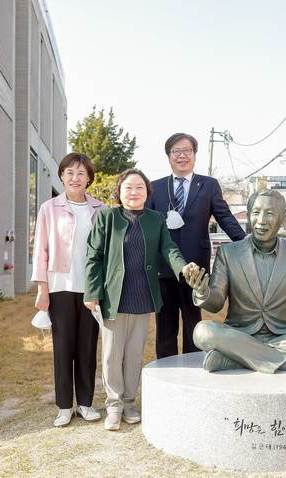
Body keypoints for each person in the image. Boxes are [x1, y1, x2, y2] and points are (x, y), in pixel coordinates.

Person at [184, 189, 286, 374]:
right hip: (240, 334)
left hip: (285, 335)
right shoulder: (228, 253)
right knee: (202, 332)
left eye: (269, 213)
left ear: (283, 220)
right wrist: (203, 292)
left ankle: (236, 359)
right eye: (256, 212)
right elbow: (216, 303)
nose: (261, 220)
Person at [85, 168, 196, 431]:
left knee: (134, 354)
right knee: (112, 354)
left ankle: (130, 402)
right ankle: (113, 405)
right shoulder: (106, 217)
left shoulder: (156, 219)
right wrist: (92, 292)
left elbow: (168, 248)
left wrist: (183, 268)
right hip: (114, 297)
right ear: (119, 192)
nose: (134, 193)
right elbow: (93, 256)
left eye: (139, 188)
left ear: (147, 192)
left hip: (143, 295)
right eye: (128, 188)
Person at [146, 133, 246, 359]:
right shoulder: (156, 187)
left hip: (196, 269)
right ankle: (166, 372)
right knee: (165, 327)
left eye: (187, 151)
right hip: (164, 267)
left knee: (194, 323)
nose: (182, 156)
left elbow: (225, 217)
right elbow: (147, 226)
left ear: (194, 155)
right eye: (176, 152)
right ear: (169, 156)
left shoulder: (208, 185)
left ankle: (192, 369)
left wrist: (247, 243)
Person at [31, 152, 105, 427]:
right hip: (60, 287)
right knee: (63, 348)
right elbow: (41, 250)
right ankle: (64, 406)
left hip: (91, 289)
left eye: (81, 173)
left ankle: (85, 403)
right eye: (70, 173)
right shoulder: (49, 208)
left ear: (89, 179)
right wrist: (42, 288)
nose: (75, 178)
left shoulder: (101, 209)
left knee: (87, 347)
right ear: (62, 175)